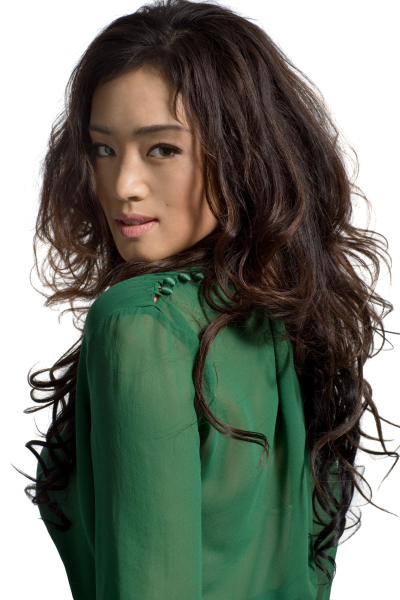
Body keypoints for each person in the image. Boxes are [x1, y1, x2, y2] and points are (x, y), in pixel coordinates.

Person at [16, 1, 399, 599]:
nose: (123, 186)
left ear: (241, 153)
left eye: (162, 149)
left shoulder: (140, 322)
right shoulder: (287, 319)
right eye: (103, 149)